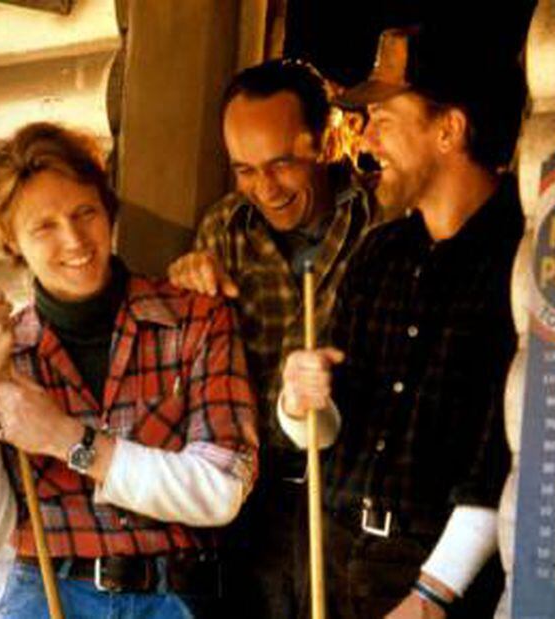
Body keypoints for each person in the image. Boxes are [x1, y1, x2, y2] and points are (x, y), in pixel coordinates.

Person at [0, 122, 258, 619]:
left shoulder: (196, 319)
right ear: (12, 241)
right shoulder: (0, 359)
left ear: (108, 211)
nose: (74, 240)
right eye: (44, 227)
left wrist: (67, 439)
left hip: (175, 594)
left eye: (85, 213)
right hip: (47, 591)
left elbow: (220, 490)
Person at [280, 26, 527, 619]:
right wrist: (299, 399)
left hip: (438, 578)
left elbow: (501, 453)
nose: (366, 140)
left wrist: (432, 595)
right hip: (333, 554)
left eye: (384, 119)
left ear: (449, 129)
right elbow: (327, 430)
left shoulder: (521, 258)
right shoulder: (379, 253)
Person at [166, 59, 377, 618]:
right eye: (245, 170)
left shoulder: (382, 219)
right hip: (250, 506)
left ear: (324, 141)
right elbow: (191, 382)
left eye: (282, 164)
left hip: (348, 500)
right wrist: (181, 298)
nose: (265, 188)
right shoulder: (223, 229)